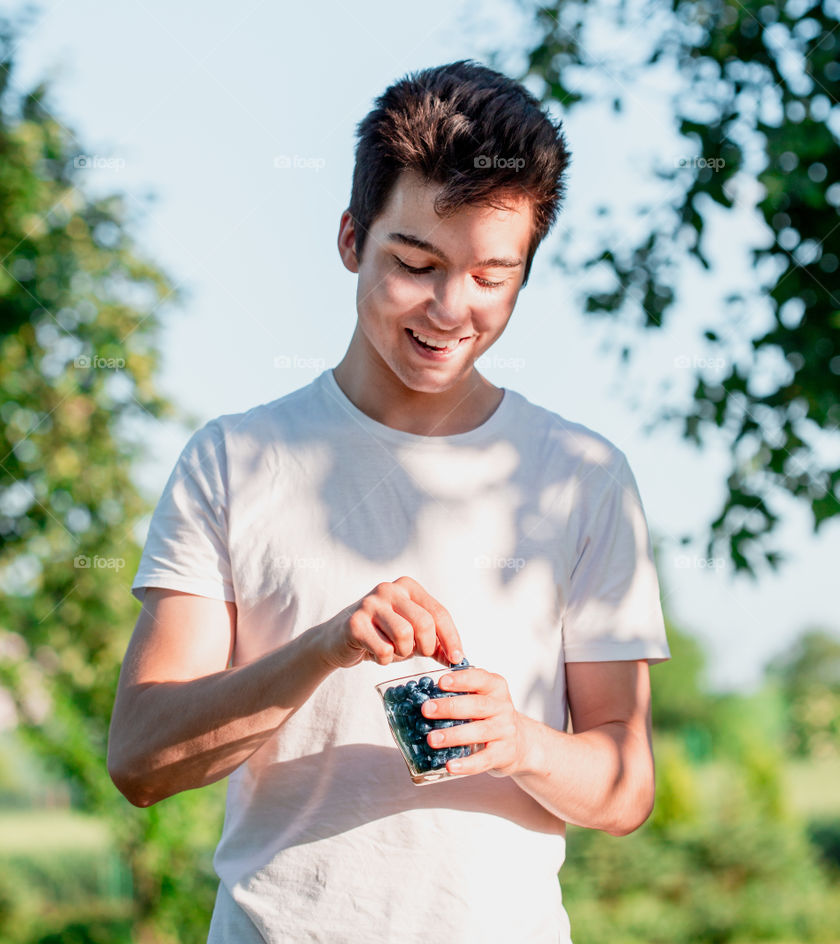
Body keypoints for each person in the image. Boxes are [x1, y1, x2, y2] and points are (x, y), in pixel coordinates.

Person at [108, 60, 671, 943]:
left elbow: (626, 786)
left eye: (493, 275)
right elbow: (140, 758)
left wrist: (520, 741)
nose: (452, 309)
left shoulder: (582, 476)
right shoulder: (236, 459)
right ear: (349, 239)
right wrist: (322, 648)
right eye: (416, 263)